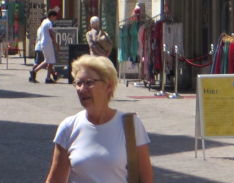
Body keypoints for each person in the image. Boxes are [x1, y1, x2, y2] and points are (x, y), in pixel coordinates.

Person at [44, 55, 154, 183]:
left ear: (108, 86)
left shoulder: (131, 125)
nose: (82, 89)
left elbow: (145, 178)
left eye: (89, 83)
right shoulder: (68, 127)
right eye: (78, 83)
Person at [30, 10, 59, 83]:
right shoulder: (49, 23)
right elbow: (51, 32)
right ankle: (46, 77)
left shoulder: (44, 22)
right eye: (55, 17)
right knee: (51, 61)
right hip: (47, 43)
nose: (55, 19)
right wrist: (55, 43)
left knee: (47, 60)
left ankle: (37, 73)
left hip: (43, 43)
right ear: (52, 16)